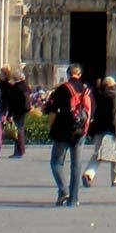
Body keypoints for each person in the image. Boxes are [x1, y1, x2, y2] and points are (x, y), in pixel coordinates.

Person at [47, 64, 92, 208]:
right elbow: (91, 112)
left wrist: (50, 128)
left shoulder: (61, 89)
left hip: (62, 131)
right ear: (79, 74)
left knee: (56, 163)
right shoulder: (86, 90)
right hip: (80, 132)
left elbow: (52, 111)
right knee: (76, 165)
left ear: (68, 74)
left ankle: (63, 189)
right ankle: (74, 199)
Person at [82, 77, 116, 188]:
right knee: (115, 155)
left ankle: (88, 174)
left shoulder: (99, 95)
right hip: (110, 130)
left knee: (98, 154)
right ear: (112, 86)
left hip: (99, 129)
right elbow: (115, 115)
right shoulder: (114, 96)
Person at [6, 69, 31, 158]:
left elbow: (12, 103)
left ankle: (18, 151)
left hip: (17, 112)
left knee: (17, 132)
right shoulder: (25, 85)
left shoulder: (16, 87)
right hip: (23, 111)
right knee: (20, 130)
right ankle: (21, 150)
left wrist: (10, 115)